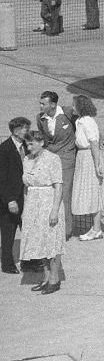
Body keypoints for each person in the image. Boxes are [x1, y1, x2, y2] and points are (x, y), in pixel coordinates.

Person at [19, 131, 67, 293]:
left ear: (41, 143)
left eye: (31, 143)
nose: (28, 147)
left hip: (48, 203)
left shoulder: (53, 159)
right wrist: (26, 210)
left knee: (52, 241)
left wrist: (54, 210)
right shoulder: (27, 160)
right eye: (27, 144)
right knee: (40, 242)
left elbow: (58, 186)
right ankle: (46, 277)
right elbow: (26, 187)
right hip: (33, 204)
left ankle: (54, 278)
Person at [69, 95, 104, 240]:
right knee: (89, 191)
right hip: (82, 157)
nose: (72, 108)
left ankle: (96, 229)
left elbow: (94, 143)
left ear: (80, 107)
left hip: (90, 157)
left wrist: (97, 164)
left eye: (74, 105)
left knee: (94, 191)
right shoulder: (79, 121)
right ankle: (94, 228)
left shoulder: (87, 121)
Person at [37, 91, 76, 217]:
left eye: (43, 104)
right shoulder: (40, 118)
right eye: (40, 103)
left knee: (65, 193)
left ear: (53, 105)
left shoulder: (68, 112)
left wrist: (101, 141)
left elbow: (85, 122)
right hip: (51, 157)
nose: (40, 106)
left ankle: (66, 229)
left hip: (66, 158)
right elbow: (42, 137)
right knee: (50, 190)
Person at [1, 118, 25, 275]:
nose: (27, 132)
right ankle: (7, 264)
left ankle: (31, 263)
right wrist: (10, 200)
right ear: (16, 131)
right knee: (9, 233)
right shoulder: (4, 150)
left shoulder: (27, 146)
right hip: (10, 200)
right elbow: (2, 179)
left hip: (25, 198)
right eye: (25, 129)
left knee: (29, 231)